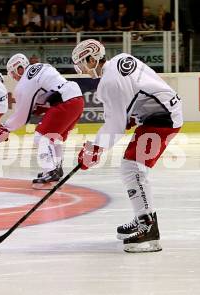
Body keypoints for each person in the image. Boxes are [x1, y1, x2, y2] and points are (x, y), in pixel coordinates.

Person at [71, 39, 183, 253]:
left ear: (92, 59)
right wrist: (130, 116)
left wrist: (95, 148)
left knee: (133, 169)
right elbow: (143, 90)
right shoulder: (121, 59)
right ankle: (143, 217)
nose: (84, 71)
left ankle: (148, 227)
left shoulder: (108, 83)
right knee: (133, 168)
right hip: (163, 113)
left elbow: (115, 126)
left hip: (162, 119)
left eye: (83, 65)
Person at [0, 54, 84, 190]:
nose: (14, 78)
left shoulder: (24, 84)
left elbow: (21, 117)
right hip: (77, 98)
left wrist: (5, 128)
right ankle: (56, 168)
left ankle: (50, 170)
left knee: (41, 137)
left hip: (65, 101)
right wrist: (38, 106)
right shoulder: (40, 66)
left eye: (13, 74)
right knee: (55, 138)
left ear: (19, 69)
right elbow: (49, 90)